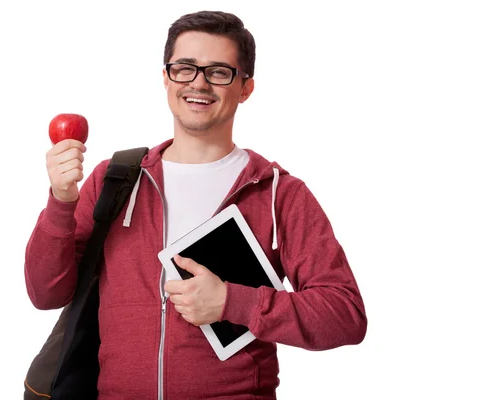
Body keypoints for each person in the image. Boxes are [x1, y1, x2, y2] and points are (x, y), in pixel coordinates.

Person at [24, 10, 367, 400]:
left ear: (246, 87)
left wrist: (233, 302)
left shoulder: (278, 194)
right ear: (166, 78)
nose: (199, 83)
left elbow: (345, 316)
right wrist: (61, 202)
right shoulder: (115, 179)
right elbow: (45, 294)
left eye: (219, 71)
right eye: (185, 68)